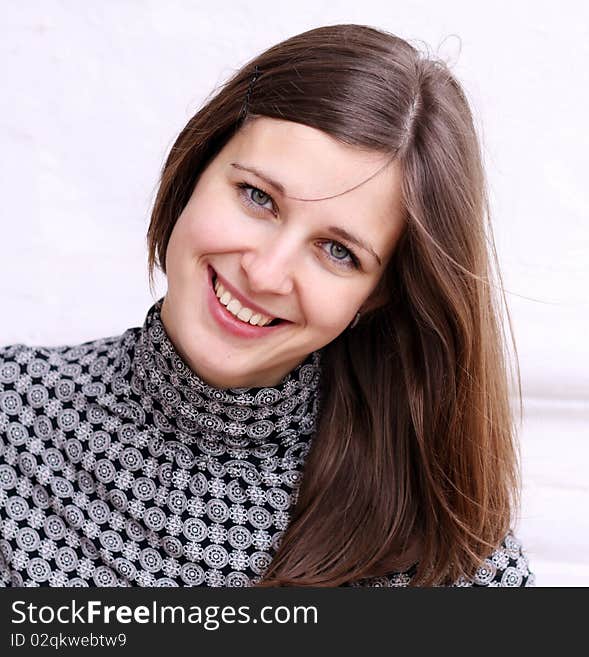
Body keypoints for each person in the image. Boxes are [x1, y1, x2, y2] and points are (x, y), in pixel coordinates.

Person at [0, 23, 534, 587]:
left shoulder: (447, 551)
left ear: (379, 296)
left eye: (337, 251)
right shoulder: (12, 412)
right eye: (258, 198)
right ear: (196, 168)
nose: (265, 271)